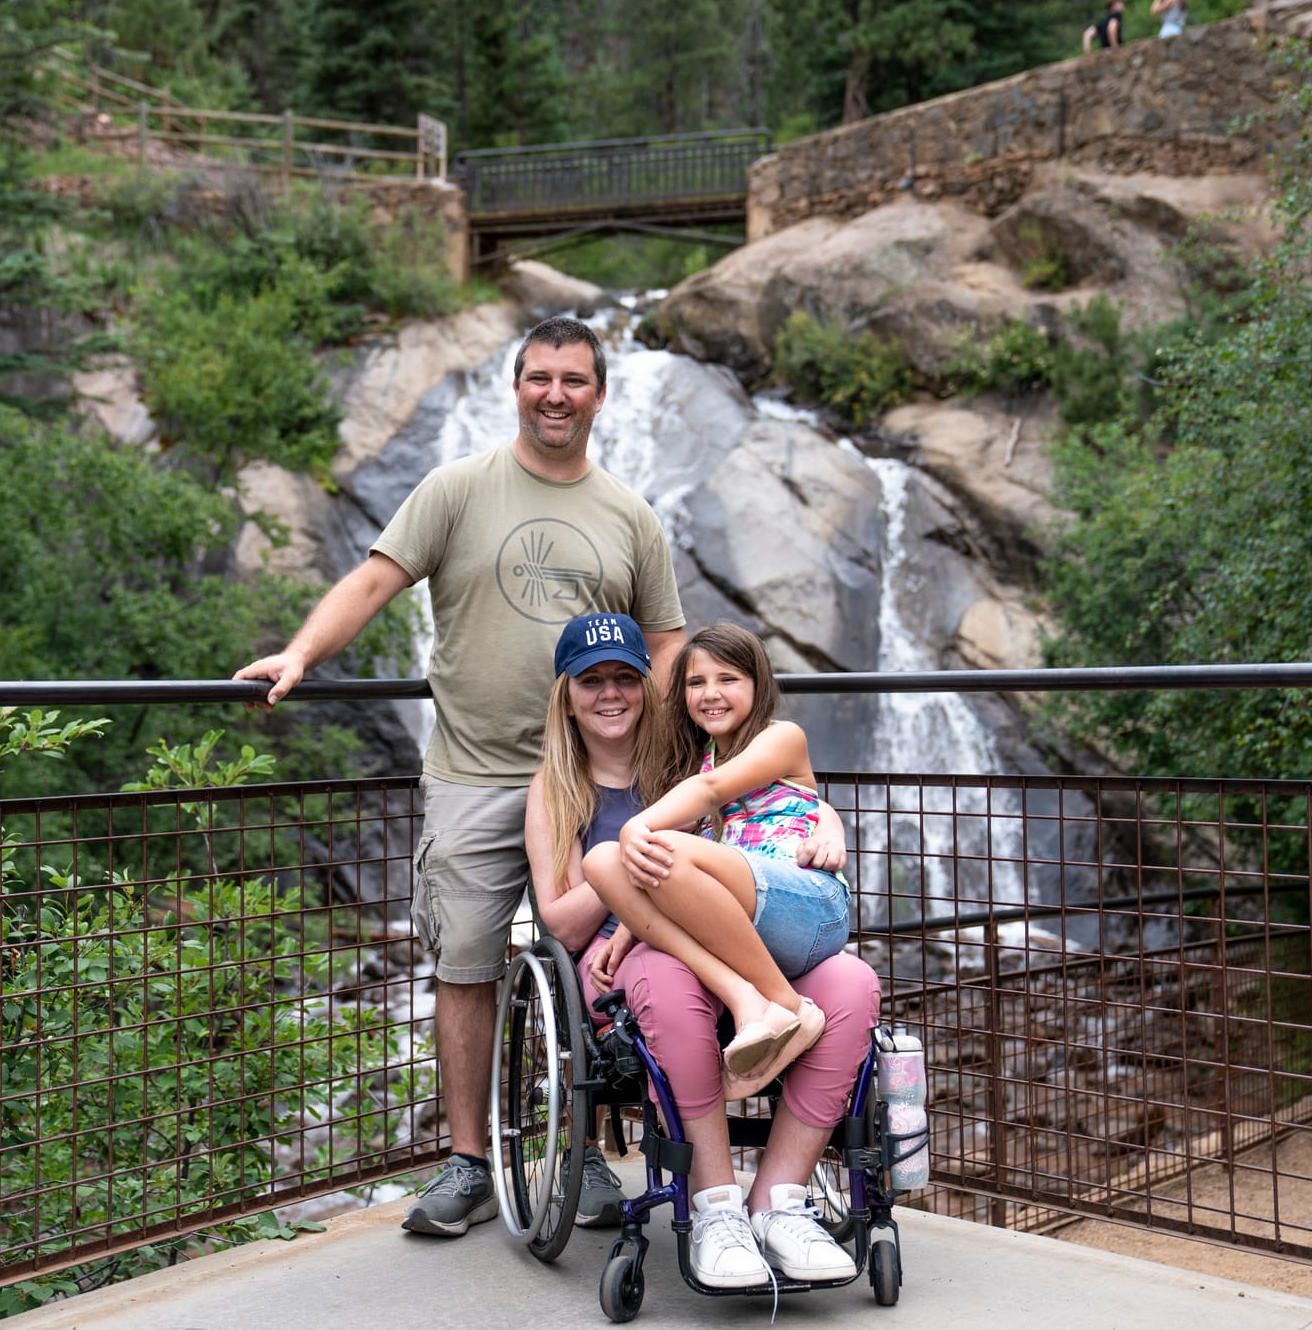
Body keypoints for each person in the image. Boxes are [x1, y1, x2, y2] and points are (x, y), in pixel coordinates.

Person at [233, 316, 686, 1238]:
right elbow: (374, 579)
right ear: (514, 387)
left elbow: (667, 641)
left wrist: (683, 752)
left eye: (574, 380)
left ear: (601, 395)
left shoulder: (631, 514)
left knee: (591, 967)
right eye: (539, 378)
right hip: (476, 771)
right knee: (467, 964)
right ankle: (469, 1160)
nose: (556, 394)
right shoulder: (456, 487)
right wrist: (300, 651)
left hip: (593, 780)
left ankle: (584, 1155)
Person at [527, 613, 878, 1287]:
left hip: (724, 929)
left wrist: (825, 817)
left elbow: (754, 816)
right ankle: (716, 1206)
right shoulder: (555, 787)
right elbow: (566, 925)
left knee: (853, 982)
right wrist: (630, 875)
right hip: (630, 956)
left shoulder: (690, 760)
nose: (610, 694)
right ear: (565, 694)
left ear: (650, 687)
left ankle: (779, 1201)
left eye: (625, 678)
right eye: (592, 681)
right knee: (663, 973)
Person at [583, 622, 854, 1094]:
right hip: (745, 920)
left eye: (728, 679)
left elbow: (710, 792)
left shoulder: (780, 737)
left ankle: (785, 1005)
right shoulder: (701, 761)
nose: (711, 693)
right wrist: (629, 927)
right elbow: (674, 869)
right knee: (603, 861)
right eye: (696, 682)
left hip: (809, 907)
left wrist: (637, 826)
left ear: (758, 684)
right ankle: (743, 996)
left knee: (657, 843)